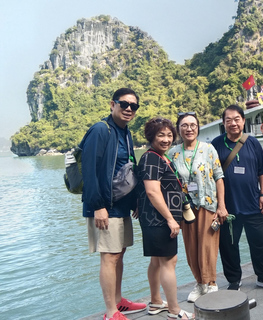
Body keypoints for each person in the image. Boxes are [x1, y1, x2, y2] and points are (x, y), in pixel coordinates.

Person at [81, 88, 147, 320]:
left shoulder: (126, 133)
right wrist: (98, 205)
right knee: (109, 256)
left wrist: (136, 200)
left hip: (121, 205)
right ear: (113, 104)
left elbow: (128, 170)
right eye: (124, 104)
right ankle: (111, 312)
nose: (129, 108)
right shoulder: (101, 130)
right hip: (104, 205)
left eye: (134, 106)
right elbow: (88, 171)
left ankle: (119, 302)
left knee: (119, 253)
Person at [211, 105, 263, 291]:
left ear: (243, 121)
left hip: (253, 203)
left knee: (259, 244)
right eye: (228, 120)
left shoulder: (253, 143)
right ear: (223, 123)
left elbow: (262, 171)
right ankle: (234, 280)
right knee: (229, 247)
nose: (233, 123)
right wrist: (220, 206)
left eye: (236, 119)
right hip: (228, 207)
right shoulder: (216, 145)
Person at [136, 117, 194, 320]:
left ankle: (156, 302)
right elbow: (152, 191)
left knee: (157, 261)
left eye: (170, 135)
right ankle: (174, 310)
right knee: (169, 261)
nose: (166, 139)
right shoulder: (152, 158)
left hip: (154, 218)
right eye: (161, 135)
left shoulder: (161, 157)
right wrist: (170, 219)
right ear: (151, 136)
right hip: (159, 219)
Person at [168, 112, 227, 303]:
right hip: (185, 207)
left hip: (207, 203)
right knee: (191, 246)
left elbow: (219, 177)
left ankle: (211, 283)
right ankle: (200, 283)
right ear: (179, 129)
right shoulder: (173, 153)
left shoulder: (208, 149)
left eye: (193, 125)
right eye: (184, 125)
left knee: (208, 245)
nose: (189, 128)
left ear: (198, 127)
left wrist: (222, 206)